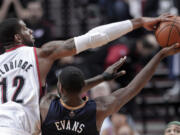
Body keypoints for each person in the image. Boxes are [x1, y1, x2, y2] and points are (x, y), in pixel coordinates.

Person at [0, 14, 172, 134]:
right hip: (20, 128)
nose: (30, 30)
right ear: (17, 37)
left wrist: (101, 78)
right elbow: (94, 38)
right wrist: (139, 22)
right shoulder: (41, 54)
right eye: (25, 29)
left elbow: (67, 91)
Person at [42, 44, 180, 135]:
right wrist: (160, 55)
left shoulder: (46, 105)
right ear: (82, 88)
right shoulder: (99, 108)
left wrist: (101, 78)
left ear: (60, 87)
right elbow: (133, 87)